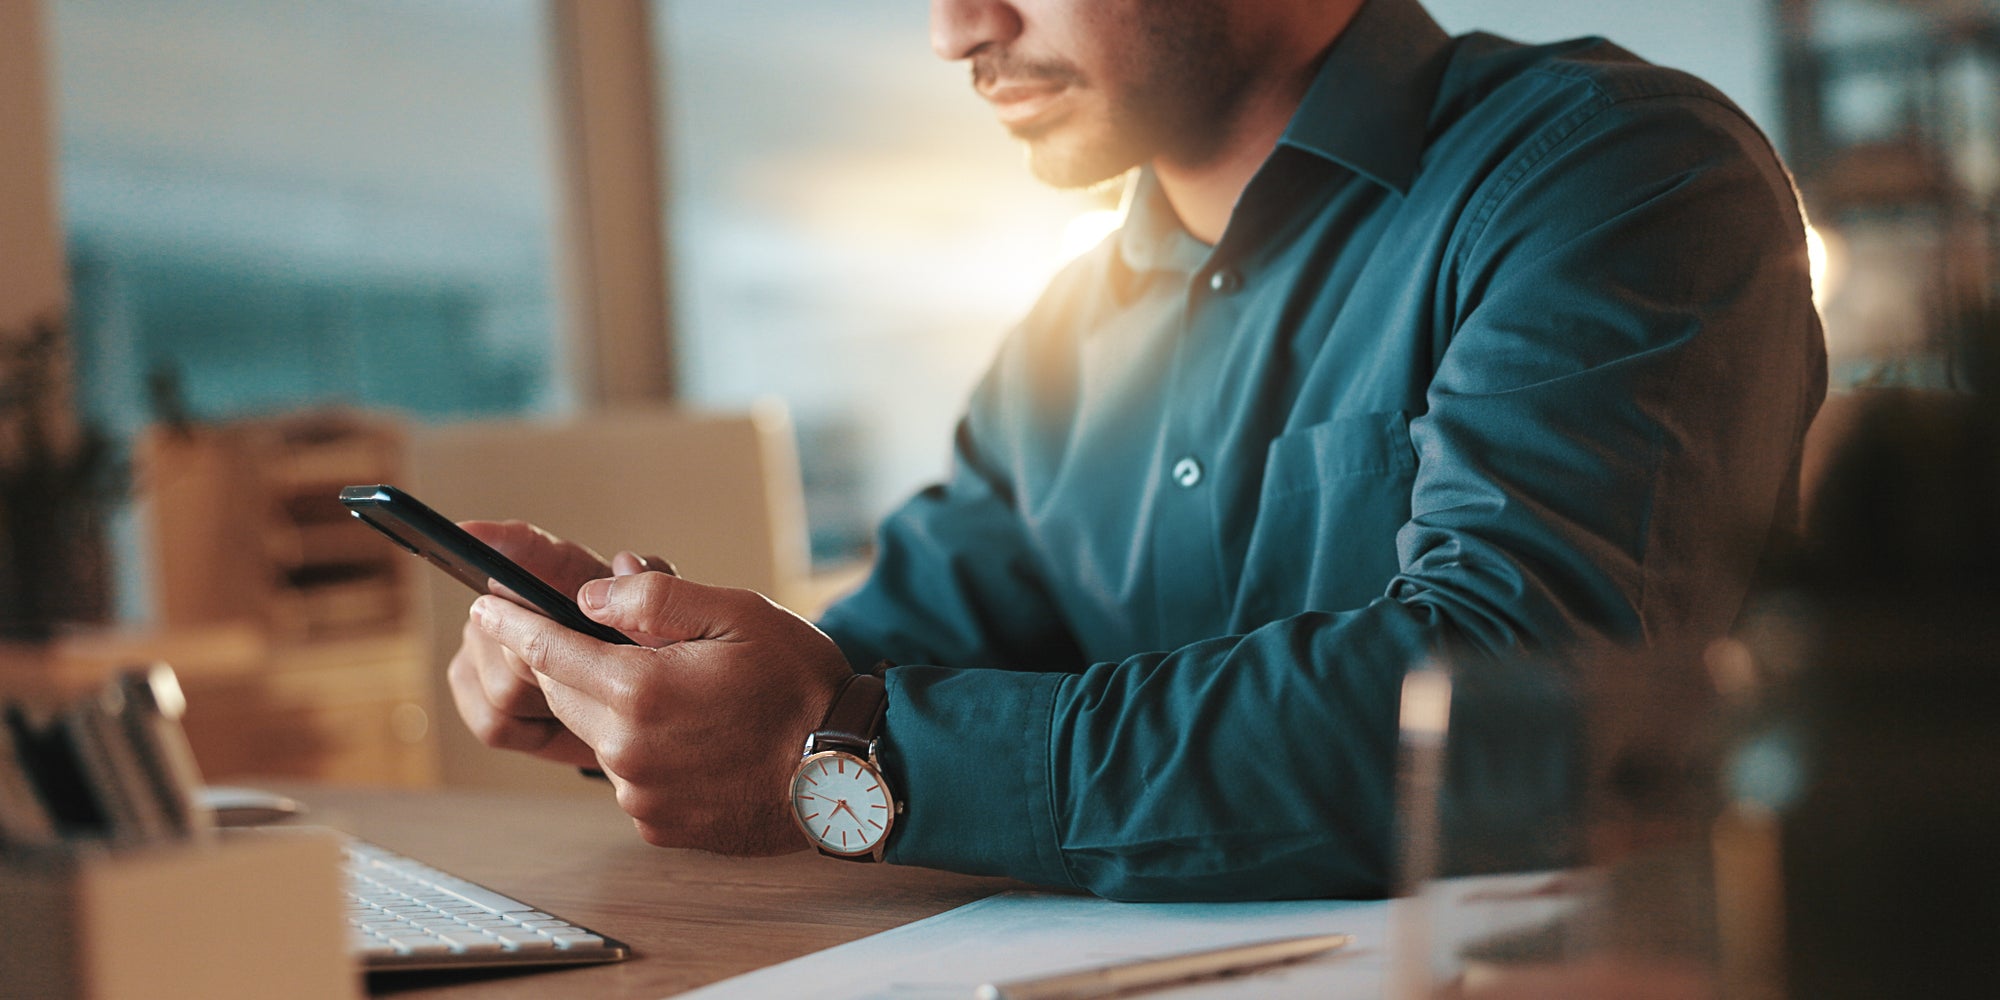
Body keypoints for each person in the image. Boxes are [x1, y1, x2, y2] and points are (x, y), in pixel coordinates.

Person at [449, 0, 1826, 901]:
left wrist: (842, 751)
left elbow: (1518, 703)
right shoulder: (1065, 332)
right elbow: (881, 675)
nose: (956, 32)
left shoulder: (1613, 176)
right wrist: (637, 694)